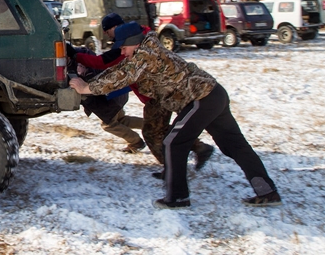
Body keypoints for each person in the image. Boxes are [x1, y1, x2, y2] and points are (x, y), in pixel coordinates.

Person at [69, 22, 281, 208]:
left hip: (201, 98)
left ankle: (178, 197)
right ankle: (267, 192)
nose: (122, 52)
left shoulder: (146, 55)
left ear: (134, 42)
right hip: (213, 94)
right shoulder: (145, 51)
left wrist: (86, 88)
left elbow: (123, 76)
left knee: (173, 142)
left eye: (124, 47)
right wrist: (89, 81)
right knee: (234, 145)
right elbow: (119, 69)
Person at [79, 13, 214, 166]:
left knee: (153, 132)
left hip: (157, 96)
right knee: (157, 130)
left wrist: (77, 60)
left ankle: (174, 167)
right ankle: (190, 153)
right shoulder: (140, 40)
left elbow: (109, 68)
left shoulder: (130, 47)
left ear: (115, 27)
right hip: (159, 95)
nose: (108, 35)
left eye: (107, 30)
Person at [68, 42, 145, 153]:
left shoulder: (82, 65)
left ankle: (136, 142)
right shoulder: (82, 54)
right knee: (122, 120)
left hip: (109, 99)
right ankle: (155, 126)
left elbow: (93, 84)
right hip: (117, 96)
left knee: (109, 125)